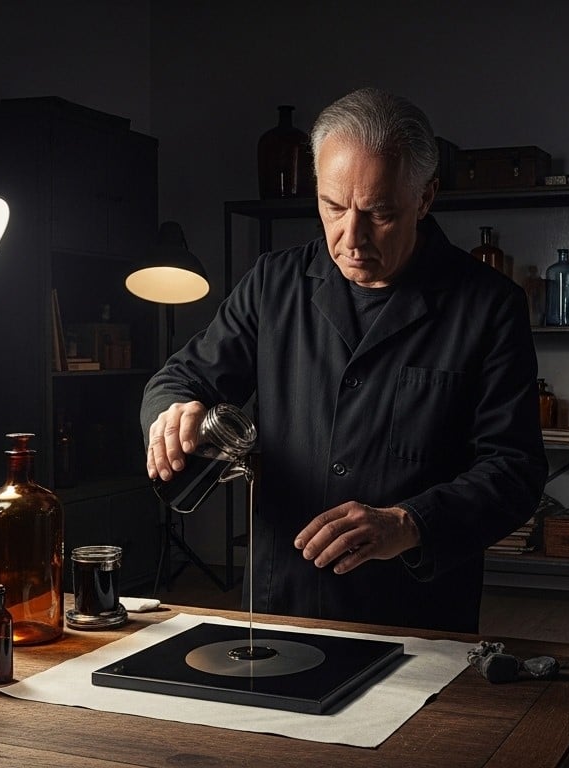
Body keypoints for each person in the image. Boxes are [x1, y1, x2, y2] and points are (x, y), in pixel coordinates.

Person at [141, 87, 546, 634]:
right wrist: (173, 411)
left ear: (425, 198)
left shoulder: (489, 306)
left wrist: (408, 523)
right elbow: (182, 377)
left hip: (415, 610)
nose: (349, 238)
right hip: (280, 603)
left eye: (378, 213)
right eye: (332, 208)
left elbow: (515, 471)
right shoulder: (272, 284)